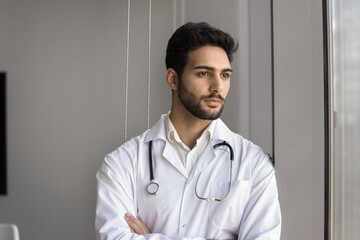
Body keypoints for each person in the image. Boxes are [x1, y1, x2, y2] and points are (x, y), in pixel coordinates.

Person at [95, 22, 281, 240]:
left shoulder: (254, 163)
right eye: (204, 74)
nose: (218, 87)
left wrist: (149, 237)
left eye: (225, 75)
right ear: (173, 79)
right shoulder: (122, 164)